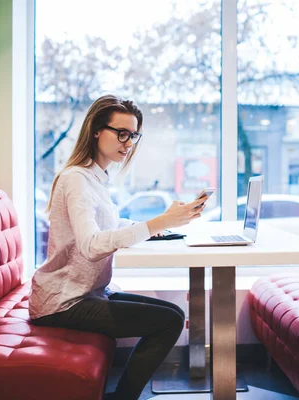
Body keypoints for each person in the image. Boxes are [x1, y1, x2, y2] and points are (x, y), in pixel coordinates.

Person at [29, 95, 206, 400]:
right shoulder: (76, 179)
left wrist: (162, 224)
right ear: (96, 130)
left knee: (173, 313)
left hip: (88, 292)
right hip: (63, 301)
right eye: (121, 133)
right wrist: (156, 223)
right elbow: (91, 245)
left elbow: (108, 226)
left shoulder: (97, 177)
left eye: (133, 135)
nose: (128, 142)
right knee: (170, 322)